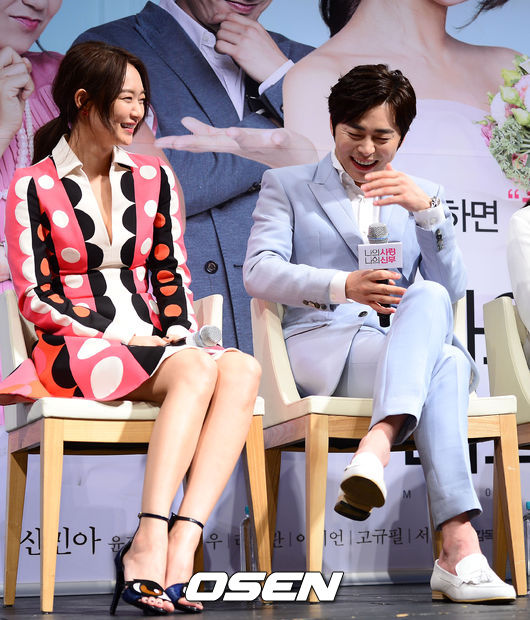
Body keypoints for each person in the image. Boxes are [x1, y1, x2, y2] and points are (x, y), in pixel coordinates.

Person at [3, 41, 260, 615]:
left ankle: (182, 542)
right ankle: (147, 539)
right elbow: (34, 297)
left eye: (143, 99)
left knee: (242, 368)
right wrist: (120, 338)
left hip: (156, 347)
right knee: (194, 370)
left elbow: (171, 274)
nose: (138, 111)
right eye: (127, 98)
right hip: (74, 348)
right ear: (82, 99)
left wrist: (177, 331)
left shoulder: (154, 176)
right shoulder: (31, 185)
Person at [243, 64, 515, 603]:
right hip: (321, 349)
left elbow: (449, 290)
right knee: (448, 364)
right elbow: (259, 271)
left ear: (402, 137)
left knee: (433, 308)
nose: (367, 149)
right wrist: (342, 285)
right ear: (333, 126)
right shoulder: (288, 185)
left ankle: (383, 451)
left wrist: (428, 215)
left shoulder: (423, 195)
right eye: (355, 133)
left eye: (382, 137)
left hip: (395, 350)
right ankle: (458, 550)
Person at [72, 0, 313, 355]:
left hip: (302, 325)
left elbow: (347, 179)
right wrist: (280, 134)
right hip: (183, 313)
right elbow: (149, 195)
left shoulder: (305, 64)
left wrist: (281, 79)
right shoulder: (107, 50)